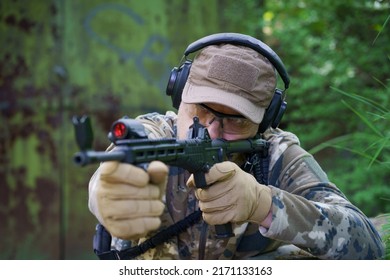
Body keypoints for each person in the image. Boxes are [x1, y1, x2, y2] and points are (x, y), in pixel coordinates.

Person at [88, 33, 385, 260]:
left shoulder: (276, 154)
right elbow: (120, 165)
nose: (212, 130)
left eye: (236, 120)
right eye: (201, 111)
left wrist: (265, 205)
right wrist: (107, 191)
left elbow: (369, 246)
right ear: (179, 96)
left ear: (265, 121)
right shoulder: (156, 134)